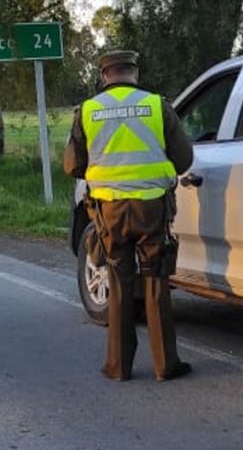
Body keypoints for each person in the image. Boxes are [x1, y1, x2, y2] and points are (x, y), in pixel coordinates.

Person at [63, 50, 194, 381]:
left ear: (104, 76)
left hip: (110, 212)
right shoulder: (156, 106)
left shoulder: (88, 111)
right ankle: (166, 365)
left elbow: (72, 166)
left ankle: (118, 366)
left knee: (119, 284)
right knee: (155, 281)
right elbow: (184, 159)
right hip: (152, 207)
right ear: (134, 73)